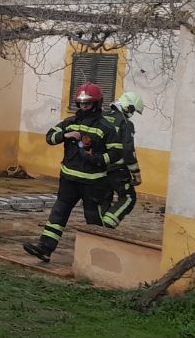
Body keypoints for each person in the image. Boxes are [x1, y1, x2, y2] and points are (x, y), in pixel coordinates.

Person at [22, 83, 121, 263]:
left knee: (93, 220)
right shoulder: (70, 122)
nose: (83, 106)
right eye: (81, 103)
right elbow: (49, 137)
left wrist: (95, 158)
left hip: (93, 184)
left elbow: (115, 154)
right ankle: (44, 249)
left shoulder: (106, 127)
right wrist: (65, 136)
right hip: (69, 180)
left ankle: (99, 259)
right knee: (58, 214)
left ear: (96, 104)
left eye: (88, 103)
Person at [101, 91, 143, 229]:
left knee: (104, 198)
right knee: (128, 198)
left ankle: (98, 228)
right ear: (128, 107)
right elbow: (128, 150)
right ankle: (108, 224)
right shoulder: (126, 124)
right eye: (134, 111)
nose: (132, 114)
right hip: (116, 170)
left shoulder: (101, 117)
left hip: (98, 167)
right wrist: (136, 173)